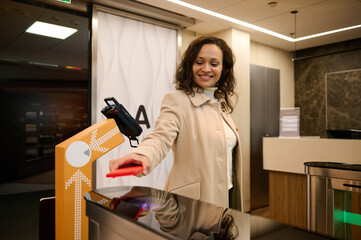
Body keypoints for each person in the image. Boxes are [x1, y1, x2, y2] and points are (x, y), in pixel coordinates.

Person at [109, 36, 243, 211]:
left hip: (227, 196)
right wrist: (142, 155)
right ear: (190, 65)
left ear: (223, 68)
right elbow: (160, 137)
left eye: (214, 63)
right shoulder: (177, 100)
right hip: (192, 204)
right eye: (199, 62)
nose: (206, 68)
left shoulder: (221, 104)